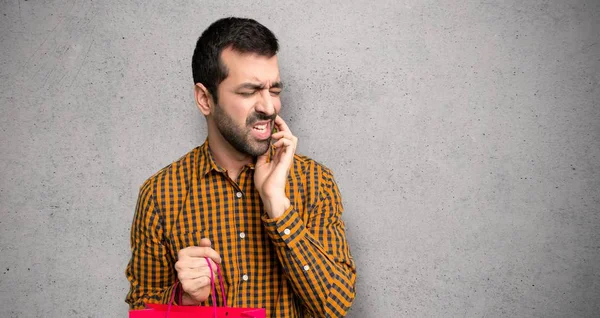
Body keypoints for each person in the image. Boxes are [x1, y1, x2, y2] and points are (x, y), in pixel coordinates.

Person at [125, 17, 356, 317]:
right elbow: (141, 308)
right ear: (205, 99)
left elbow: (334, 305)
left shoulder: (315, 181)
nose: (269, 107)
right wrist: (182, 297)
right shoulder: (160, 194)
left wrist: (277, 205)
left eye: (274, 90)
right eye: (249, 92)